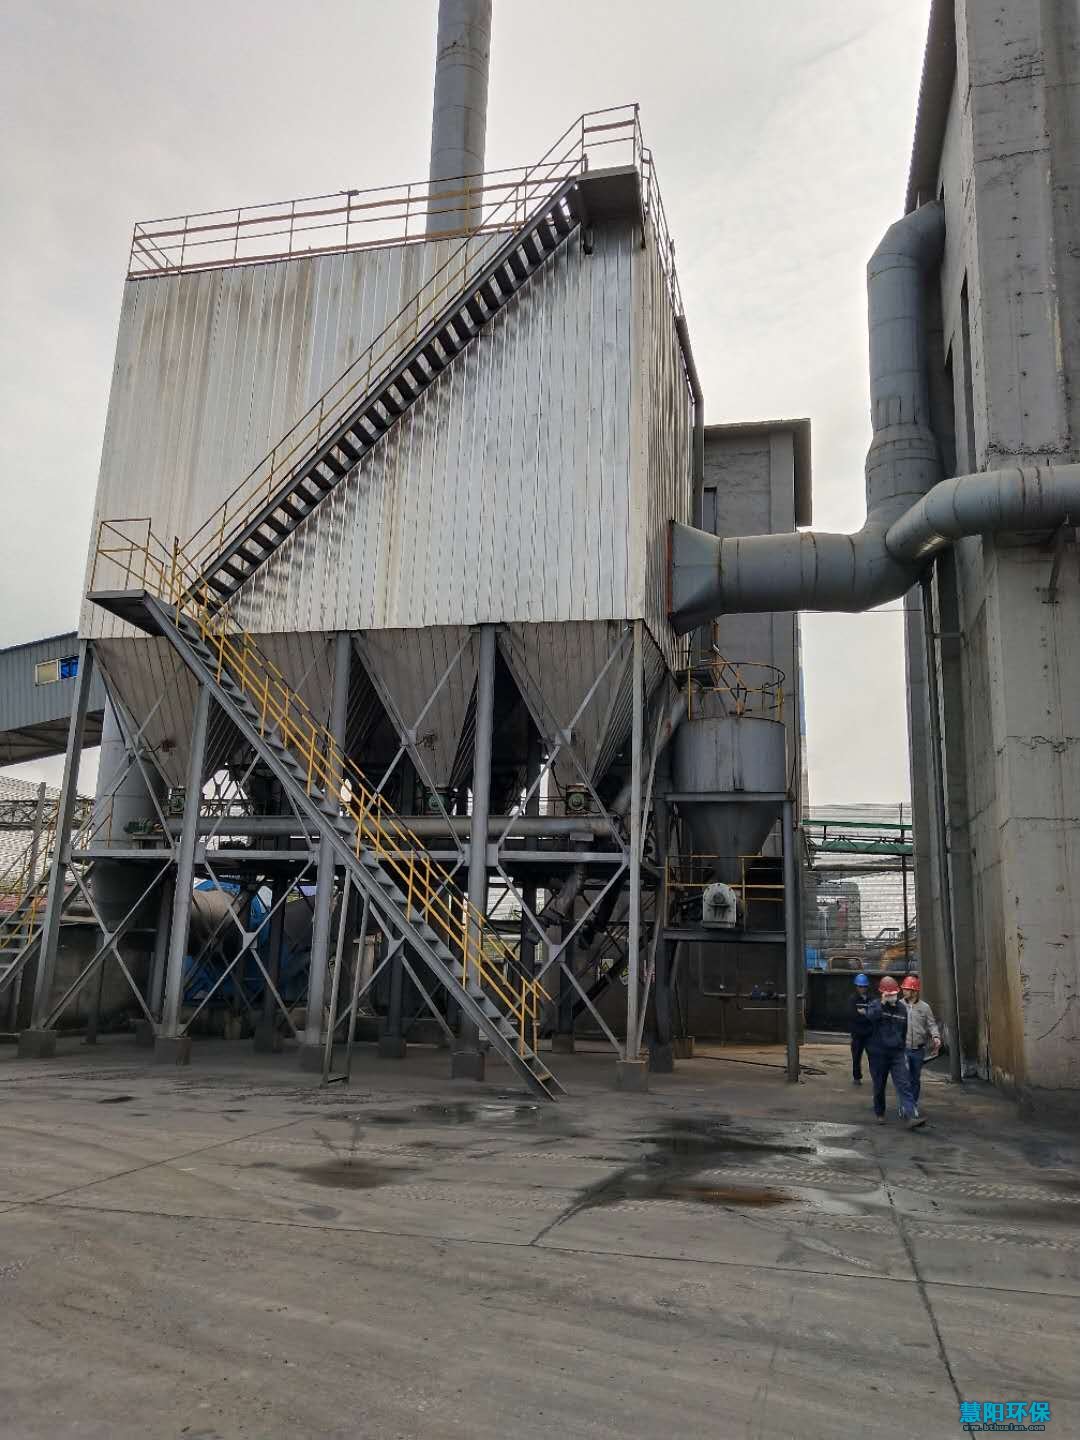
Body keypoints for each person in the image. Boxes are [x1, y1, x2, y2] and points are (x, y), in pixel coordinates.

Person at [866, 976, 925, 1129]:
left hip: (896, 1053)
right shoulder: (875, 1005)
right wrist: (882, 1003)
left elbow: (903, 1031)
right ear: (883, 993)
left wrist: (902, 1048)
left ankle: (911, 1116)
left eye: (894, 994)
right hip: (878, 1053)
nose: (893, 996)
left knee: (904, 1083)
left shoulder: (901, 1009)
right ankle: (880, 1113)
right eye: (889, 994)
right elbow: (871, 1017)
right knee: (879, 1085)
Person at [901, 975, 941, 1113]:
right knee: (904, 1078)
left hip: (918, 1050)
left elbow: (931, 1024)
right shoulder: (899, 1005)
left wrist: (936, 1037)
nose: (904, 991)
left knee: (915, 1079)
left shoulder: (925, 1008)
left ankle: (913, 1104)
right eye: (904, 989)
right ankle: (906, 1105)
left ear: (914, 991)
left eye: (907, 989)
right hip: (903, 1049)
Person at [848, 973, 873, 1085]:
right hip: (857, 1034)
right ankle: (857, 1077)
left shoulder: (872, 998)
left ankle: (876, 1076)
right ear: (856, 986)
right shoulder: (853, 999)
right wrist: (867, 1015)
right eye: (860, 986)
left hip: (870, 1034)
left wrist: (864, 1013)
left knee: (873, 1057)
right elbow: (853, 1015)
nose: (862, 988)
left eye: (864, 986)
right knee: (856, 1056)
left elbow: (876, 1014)